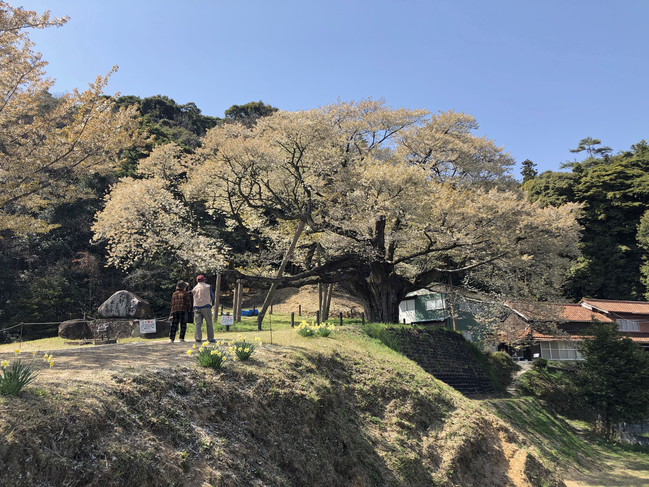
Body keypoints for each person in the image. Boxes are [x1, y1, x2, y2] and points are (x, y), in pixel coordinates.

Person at [191, 274, 215, 343]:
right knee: (209, 323)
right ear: (204, 280)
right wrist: (210, 300)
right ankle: (210, 338)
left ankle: (198, 338)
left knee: (198, 323)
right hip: (206, 306)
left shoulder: (194, 288)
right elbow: (212, 296)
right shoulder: (207, 286)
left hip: (196, 306)